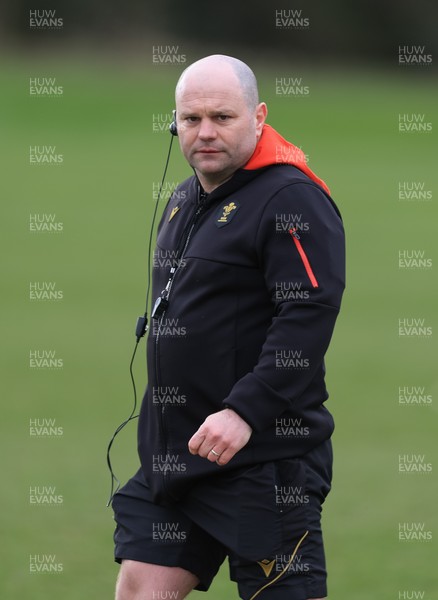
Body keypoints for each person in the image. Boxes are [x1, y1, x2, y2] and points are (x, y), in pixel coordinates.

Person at [112, 54, 345, 600]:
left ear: (259, 117)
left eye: (223, 117)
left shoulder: (291, 199)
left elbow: (309, 313)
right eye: (191, 119)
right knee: (140, 591)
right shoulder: (185, 198)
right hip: (179, 457)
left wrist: (245, 411)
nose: (205, 132)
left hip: (261, 461)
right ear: (174, 124)